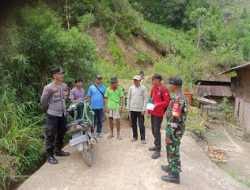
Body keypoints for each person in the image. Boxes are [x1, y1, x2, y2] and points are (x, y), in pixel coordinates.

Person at [161, 77, 188, 184]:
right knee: (170, 148)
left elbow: (175, 117)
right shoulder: (178, 96)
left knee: (173, 149)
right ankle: (171, 166)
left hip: (174, 129)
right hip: (175, 128)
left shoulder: (178, 99)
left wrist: (168, 133)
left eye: (170, 84)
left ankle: (174, 175)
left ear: (175, 85)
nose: (169, 86)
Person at [41, 67, 70, 165]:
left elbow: (65, 98)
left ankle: (58, 150)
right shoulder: (48, 87)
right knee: (50, 134)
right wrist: (49, 109)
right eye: (60, 73)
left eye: (62, 73)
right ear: (54, 75)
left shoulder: (64, 86)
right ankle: (49, 155)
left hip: (62, 114)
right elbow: (43, 101)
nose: (62, 75)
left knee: (61, 132)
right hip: (53, 114)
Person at [148, 74, 170, 159]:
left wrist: (158, 104)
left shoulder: (163, 89)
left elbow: (167, 102)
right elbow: (151, 99)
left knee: (156, 130)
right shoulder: (153, 89)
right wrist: (148, 110)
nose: (152, 81)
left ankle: (158, 150)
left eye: (153, 79)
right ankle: (156, 144)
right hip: (153, 112)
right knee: (153, 129)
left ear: (157, 80)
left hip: (159, 113)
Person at [126, 75, 148, 144]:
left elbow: (145, 99)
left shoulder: (143, 88)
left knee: (141, 124)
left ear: (140, 81)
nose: (135, 81)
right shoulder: (131, 88)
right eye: (134, 80)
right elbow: (128, 98)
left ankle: (143, 138)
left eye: (137, 80)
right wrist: (128, 108)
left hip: (140, 110)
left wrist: (144, 109)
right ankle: (135, 136)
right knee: (133, 124)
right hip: (132, 109)